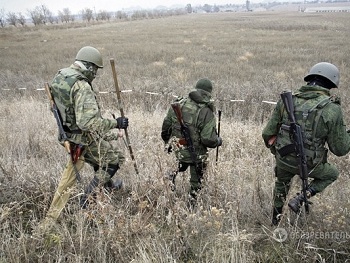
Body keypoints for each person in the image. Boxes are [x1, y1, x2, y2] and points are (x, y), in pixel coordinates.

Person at [41, 46, 128, 227]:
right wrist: (116, 123)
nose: (95, 74)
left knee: (105, 157)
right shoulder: (82, 86)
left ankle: (108, 186)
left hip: (69, 135)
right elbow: (88, 123)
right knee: (112, 161)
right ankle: (87, 200)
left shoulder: (61, 76)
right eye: (95, 70)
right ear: (89, 67)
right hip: (82, 139)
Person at [262, 62, 350, 225]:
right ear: (331, 83)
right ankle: (304, 195)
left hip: (284, 158)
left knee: (281, 185)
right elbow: (340, 149)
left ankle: (275, 220)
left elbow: (267, 134)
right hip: (311, 164)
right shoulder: (331, 109)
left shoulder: (288, 100)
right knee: (332, 173)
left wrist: (277, 152)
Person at [161, 78, 222, 204]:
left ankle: (169, 198)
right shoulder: (206, 112)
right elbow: (207, 139)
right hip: (197, 155)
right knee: (196, 182)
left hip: (177, 151)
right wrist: (218, 141)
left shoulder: (179, 103)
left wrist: (168, 144)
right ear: (209, 93)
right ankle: (192, 204)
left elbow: (165, 129)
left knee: (171, 173)